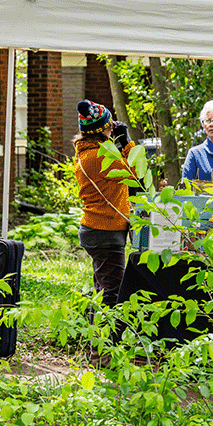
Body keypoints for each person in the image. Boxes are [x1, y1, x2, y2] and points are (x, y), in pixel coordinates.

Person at [74, 100, 136, 307]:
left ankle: (94, 335)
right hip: (104, 230)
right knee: (112, 292)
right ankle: (105, 338)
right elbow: (134, 173)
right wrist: (127, 143)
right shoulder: (99, 156)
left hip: (99, 228)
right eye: (110, 125)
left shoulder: (91, 152)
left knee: (102, 288)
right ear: (103, 129)